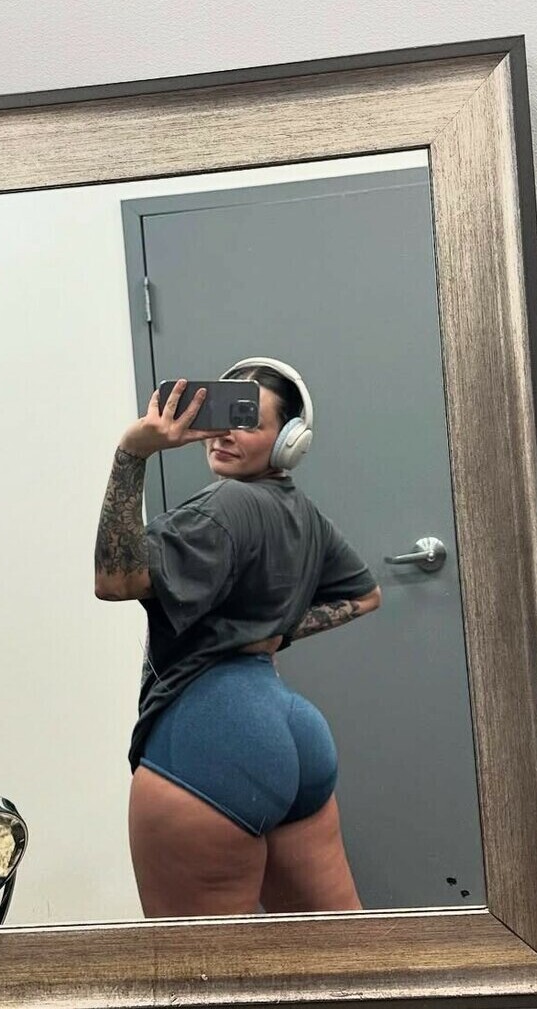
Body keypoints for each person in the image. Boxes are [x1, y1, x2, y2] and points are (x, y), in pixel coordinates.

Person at [94, 359, 381, 919]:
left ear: (289, 441)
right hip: (294, 731)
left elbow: (115, 580)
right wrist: (272, 632)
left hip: (210, 739)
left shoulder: (223, 506)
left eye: (248, 422)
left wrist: (132, 452)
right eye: (226, 416)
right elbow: (366, 595)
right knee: (343, 953)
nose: (225, 434)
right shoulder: (302, 512)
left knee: (201, 966)